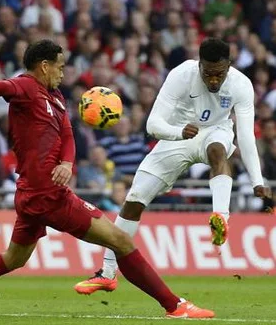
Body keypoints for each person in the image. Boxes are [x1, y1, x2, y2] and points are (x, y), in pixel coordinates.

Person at [0, 39, 214, 319]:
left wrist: (68, 162)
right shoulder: (28, 86)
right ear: (44, 66)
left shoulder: (55, 98)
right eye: (59, 66)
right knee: (121, 240)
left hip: (33, 193)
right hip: (48, 193)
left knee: (13, 259)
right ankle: (174, 305)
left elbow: (68, 134)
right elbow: (5, 87)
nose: (63, 72)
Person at [76, 38, 273, 295]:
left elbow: (245, 136)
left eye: (220, 74)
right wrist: (178, 132)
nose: (214, 80)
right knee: (134, 200)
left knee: (218, 150)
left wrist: (257, 179)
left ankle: (220, 218)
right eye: (208, 74)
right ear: (199, 65)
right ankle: (108, 273)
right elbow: (153, 124)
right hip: (177, 135)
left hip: (216, 131)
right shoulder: (181, 74)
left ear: (229, 67)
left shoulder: (241, 85)